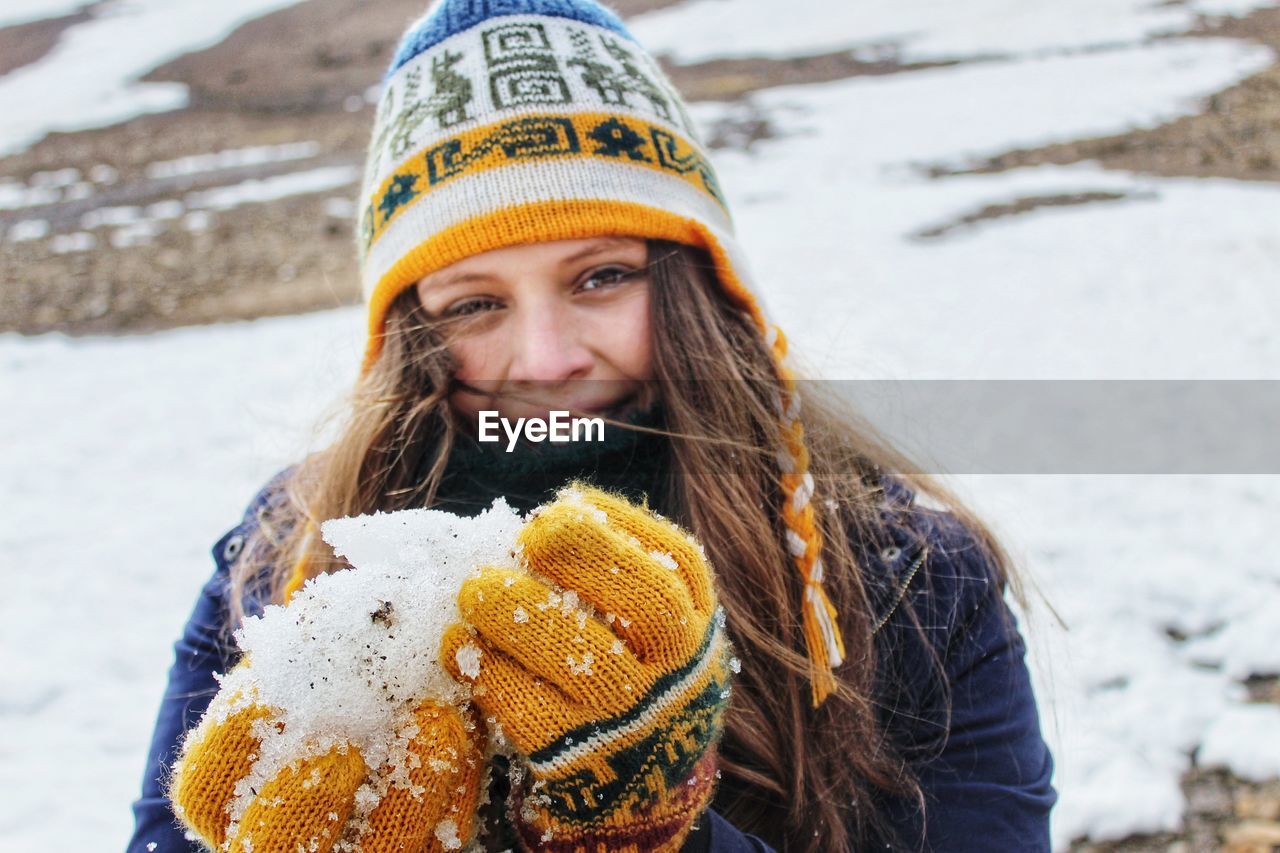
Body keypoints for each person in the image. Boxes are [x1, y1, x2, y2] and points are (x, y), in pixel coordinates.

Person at [126, 0, 1057, 850]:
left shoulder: (903, 577)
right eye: (473, 303)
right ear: (408, 332)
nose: (545, 357)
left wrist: (660, 833)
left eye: (601, 276)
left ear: (700, 281)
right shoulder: (288, 553)